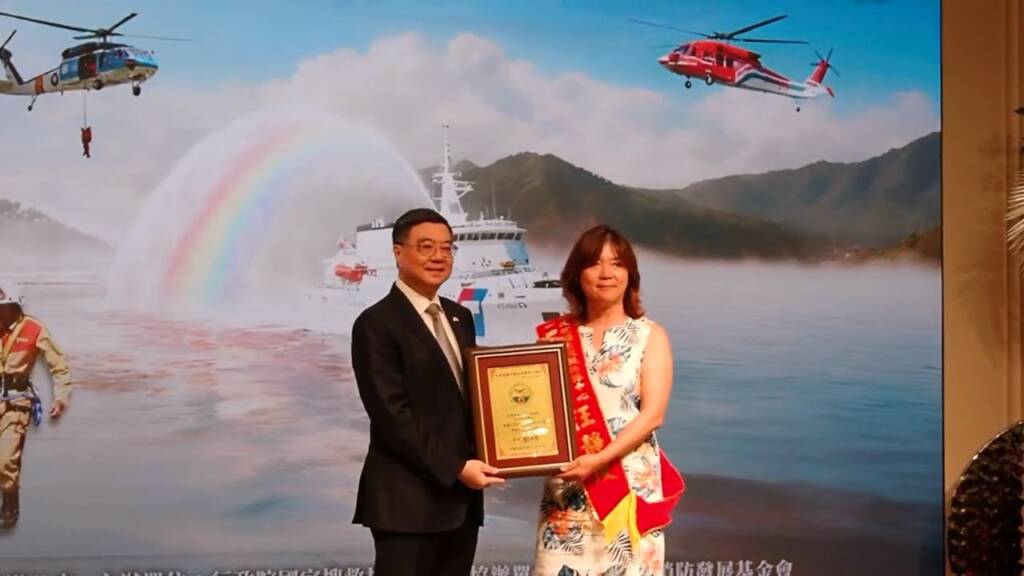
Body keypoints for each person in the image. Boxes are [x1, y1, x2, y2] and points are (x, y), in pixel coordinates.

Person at [350, 208, 504, 576]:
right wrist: (456, 468)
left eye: (447, 248)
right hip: (407, 503)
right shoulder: (376, 323)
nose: (438, 256)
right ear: (398, 252)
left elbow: (470, 400)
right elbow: (391, 416)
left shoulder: (460, 317)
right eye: (426, 247)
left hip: (462, 502)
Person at [534, 225, 685, 576]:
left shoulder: (650, 335)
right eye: (594, 263)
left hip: (627, 488)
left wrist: (599, 459)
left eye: (617, 264)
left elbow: (653, 415)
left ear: (630, 274)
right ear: (576, 274)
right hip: (569, 488)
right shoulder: (553, 338)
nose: (606, 273)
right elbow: (539, 413)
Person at [0, 281, 71, 528]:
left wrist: (61, 397)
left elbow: (59, 366)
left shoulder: (34, 329)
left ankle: (10, 503)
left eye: (3, 306)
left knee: (5, 460)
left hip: (16, 403)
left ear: (15, 305)